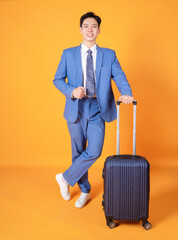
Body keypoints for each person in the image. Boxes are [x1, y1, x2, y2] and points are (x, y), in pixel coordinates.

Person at [53, 12, 134, 208]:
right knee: (78, 151)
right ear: (80, 29)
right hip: (76, 107)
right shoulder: (68, 53)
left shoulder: (109, 54)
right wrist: (72, 91)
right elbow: (57, 80)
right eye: (86, 26)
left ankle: (64, 178)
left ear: (99, 30)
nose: (90, 29)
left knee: (94, 150)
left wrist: (126, 92)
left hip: (98, 107)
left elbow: (120, 76)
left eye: (94, 26)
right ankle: (85, 190)